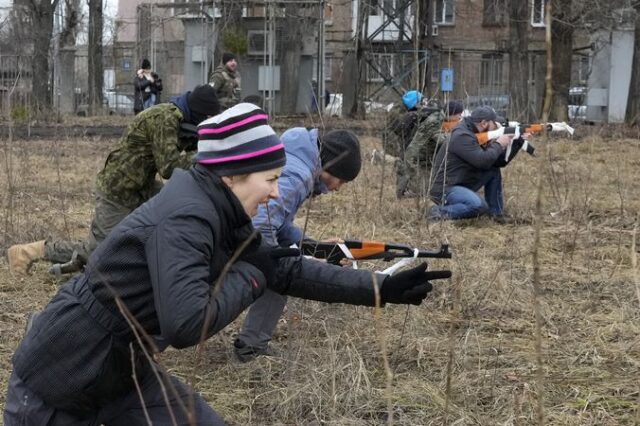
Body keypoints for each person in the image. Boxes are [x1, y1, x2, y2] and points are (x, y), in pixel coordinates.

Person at [3, 103, 450, 424]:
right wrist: (252, 276)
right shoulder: (186, 217)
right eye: (271, 179)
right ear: (233, 174)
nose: (278, 192)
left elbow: (283, 267)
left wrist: (378, 288)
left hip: (124, 371)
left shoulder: (224, 210)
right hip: (58, 381)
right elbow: (187, 324)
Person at [6, 85, 221, 276]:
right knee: (99, 251)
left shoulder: (181, 121)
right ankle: (28, 252)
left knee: (173, 213)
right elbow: (169, 167)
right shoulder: (165, 119)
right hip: (117, 189)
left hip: (142, 188)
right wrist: (203, 153)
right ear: (199, 116)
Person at [234, 127, 362, 362]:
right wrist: (292, 263)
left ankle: (251, 344)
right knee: (280, 276)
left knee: (282, 269)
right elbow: (262, 225)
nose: (338, 188)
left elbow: (279, 224)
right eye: (341, 180)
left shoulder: (295, 161)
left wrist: (311, 247)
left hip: (234, 231)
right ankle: (251, 347)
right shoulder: (298, 174)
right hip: (231, 238)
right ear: (331, 166)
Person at [428, 106, 514, 221]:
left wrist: (515, 142)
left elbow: (499, 162)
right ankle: (438, 211)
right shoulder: (462, 136)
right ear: (484, 123)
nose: (496, 126)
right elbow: (483, 161)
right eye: (494, 123)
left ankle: (496, 214)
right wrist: (498, 144)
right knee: (478, 206)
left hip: (460, 181)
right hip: (445, 188)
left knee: (493, 170)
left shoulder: (472, 132)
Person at [396, 100, 464, 199]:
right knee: (423, 190)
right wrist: (456, 133)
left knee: (431, 187)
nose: (459, 117)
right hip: (417, 158)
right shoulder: (435, 121)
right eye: (459, 114)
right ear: (452, 113)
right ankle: (405, 193)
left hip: (426, 158)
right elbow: (441, 140)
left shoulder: (440, 118)